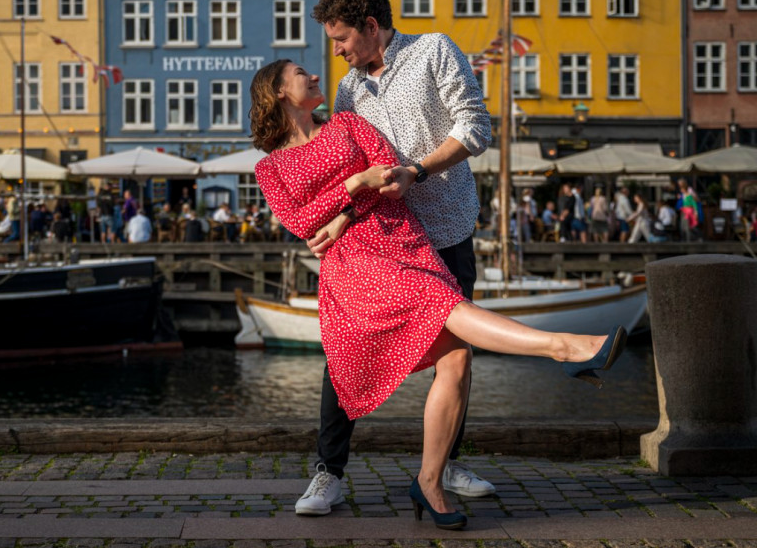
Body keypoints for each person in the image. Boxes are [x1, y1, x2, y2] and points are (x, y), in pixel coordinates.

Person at [250, 59, 627, 530]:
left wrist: (346, 209)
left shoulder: (347, 125)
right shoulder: (270, 167)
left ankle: (430, 481)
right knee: (438, 309)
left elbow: (392, 179)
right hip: (355, 262)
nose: (312, 75)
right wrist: (356, 181)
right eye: (299, 72)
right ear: (278, 92)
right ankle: (565, 347)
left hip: (402, 238)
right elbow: (302, 222)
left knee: (457, 359)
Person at [298, 0, 496, 515]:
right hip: (382, 241)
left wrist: (416, 171)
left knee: (455, 355)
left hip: (446, 227)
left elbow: (476, 127)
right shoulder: (348, 91)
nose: (337, 52)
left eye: (341, 39)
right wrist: (342, 217)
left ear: (370, 26)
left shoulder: (434, 50)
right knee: (345, 350)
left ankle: (444, 465)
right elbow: (353, 170)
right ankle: (328, 472)